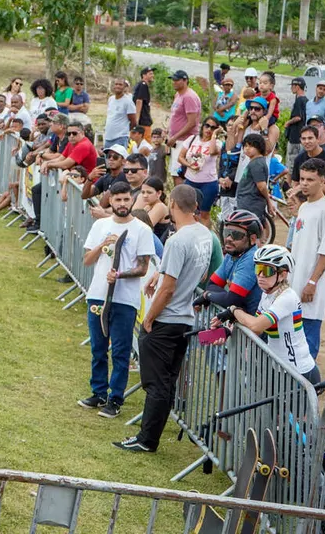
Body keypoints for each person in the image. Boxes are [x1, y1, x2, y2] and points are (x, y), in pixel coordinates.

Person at [116, 186, 213, 453]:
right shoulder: (204, 234)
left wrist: (149, 318)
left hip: (168, 319)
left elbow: (169, 289)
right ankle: (151, 435)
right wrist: (160, 276)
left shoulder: (177, 240)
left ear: (172, 203)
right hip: (185, 320)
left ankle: (147, 439)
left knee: (156, 383)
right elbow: (195, 273)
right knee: (167, 381)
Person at [78, 181, 156, 419]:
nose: (122, 204)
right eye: (118, 200)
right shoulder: (101, 225)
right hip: (98, 294)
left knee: (121, 351)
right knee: (98, 347)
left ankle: (115, 398)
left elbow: (143, 268)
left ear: (131, 200)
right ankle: (98, 391)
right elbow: (87, 259)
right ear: (110, 200)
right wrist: (103, 245)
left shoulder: (142, 230)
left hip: (125, 298)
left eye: (126, 199)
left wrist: (120, 274)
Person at [213, 245, 321, 385]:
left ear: (282, 274)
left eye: (267, 270)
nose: (261, 276)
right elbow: (254, 325)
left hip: (298, 373)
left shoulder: (287, 297)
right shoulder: (267, 294)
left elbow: (256, 326)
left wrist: (234, 310)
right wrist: (228, 331)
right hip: (280, 370)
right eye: (258, 270)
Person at [289, 157, 325, 360]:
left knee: (308, 339)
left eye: (310, 180)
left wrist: (312, 281)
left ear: (322, 181)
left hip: (311, 286)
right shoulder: (304, 207)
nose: (304, 183)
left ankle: (309, 385)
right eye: (302, 179)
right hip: (295, 282)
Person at [193, 209, 263, 317]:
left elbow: (231, 300)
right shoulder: (231, 255)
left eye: (236, 235)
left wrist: (207, 296)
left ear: (252, 239)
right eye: (227, 233)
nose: (229, 239)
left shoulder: (251, 259)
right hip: (241, 323)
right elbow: (212, 285)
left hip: (255, 327)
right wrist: (221, 297)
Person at [179, 117, 221, 227]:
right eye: (207, 126)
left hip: (208, 182)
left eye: (213, 127)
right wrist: (189, 165)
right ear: (202, 126)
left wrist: (214, 135)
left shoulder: (217, 143)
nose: (209, 129)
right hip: (190, 179)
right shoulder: (192, 139)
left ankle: (206, 237)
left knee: (204, 213)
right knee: (187, 211)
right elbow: (180, 157)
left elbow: (212, 151)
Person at [289, 125, 325, 211]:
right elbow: (295, 183)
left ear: (318, 139)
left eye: (310, 138)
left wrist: (302, 188)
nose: (307, 141)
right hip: (305, 205)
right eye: (303, 139)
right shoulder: (299, 159)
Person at [165, 71, 201, 185]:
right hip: (176, 140)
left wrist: (175, 137)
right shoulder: (178, 95)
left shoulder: (189, 97)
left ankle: (181, 200)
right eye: (173, 80)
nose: (174, 82)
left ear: (185, 81)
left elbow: (192, 122)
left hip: (184, 141)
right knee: (174, 173)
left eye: (177, 80)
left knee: (180, 174)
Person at [234, 132, 275, 229]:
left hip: (251, 204)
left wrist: (269, 202)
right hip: (247, 203)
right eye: (245, 146)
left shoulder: (257, 164)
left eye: (251, 146)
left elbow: (261, 186)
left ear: (259, 147)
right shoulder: (255, 162)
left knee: (250, 231)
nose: (247, 148)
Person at [82, 144, 129, 218]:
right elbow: (84, 195)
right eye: (108, 156)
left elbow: (102, 204)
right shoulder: (106, 176)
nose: (111, 159)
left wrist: (102, 209)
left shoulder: (124, 176)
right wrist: (90, 178)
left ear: (123, 161)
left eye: (115, 157)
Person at [104, 78, 137, 150]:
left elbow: (133, 122)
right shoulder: (111, 99)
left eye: (120, 84)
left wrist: (124, 132)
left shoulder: (128, 102)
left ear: (124, 87)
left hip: (120, 138)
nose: (118, 86)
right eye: (116, 84)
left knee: (119, 160)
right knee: (108, 160)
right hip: (108, 138)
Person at [284, 77, 309, 171]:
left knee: (292, 163)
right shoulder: (305, 100)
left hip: (295, 137)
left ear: (297, 87)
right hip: (300, 135)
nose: (291, 88)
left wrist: (288, 122)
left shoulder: (299, 100)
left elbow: (298, 117)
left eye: (292, 86)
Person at [139, 176, 172, 242]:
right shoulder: (148, 206)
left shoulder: (160, 207)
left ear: (159, 193)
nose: (145, 195)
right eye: (143, 192)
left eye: (149, 192)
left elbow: (143, 227)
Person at [133, 67, 155, 141]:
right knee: (146, 144)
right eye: (150, 74)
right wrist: (137, 119)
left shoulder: (139, 85)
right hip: (143, 121)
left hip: (143, 119)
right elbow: (139, 101)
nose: (153, 75)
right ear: (144, 75)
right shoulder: (143, 85)